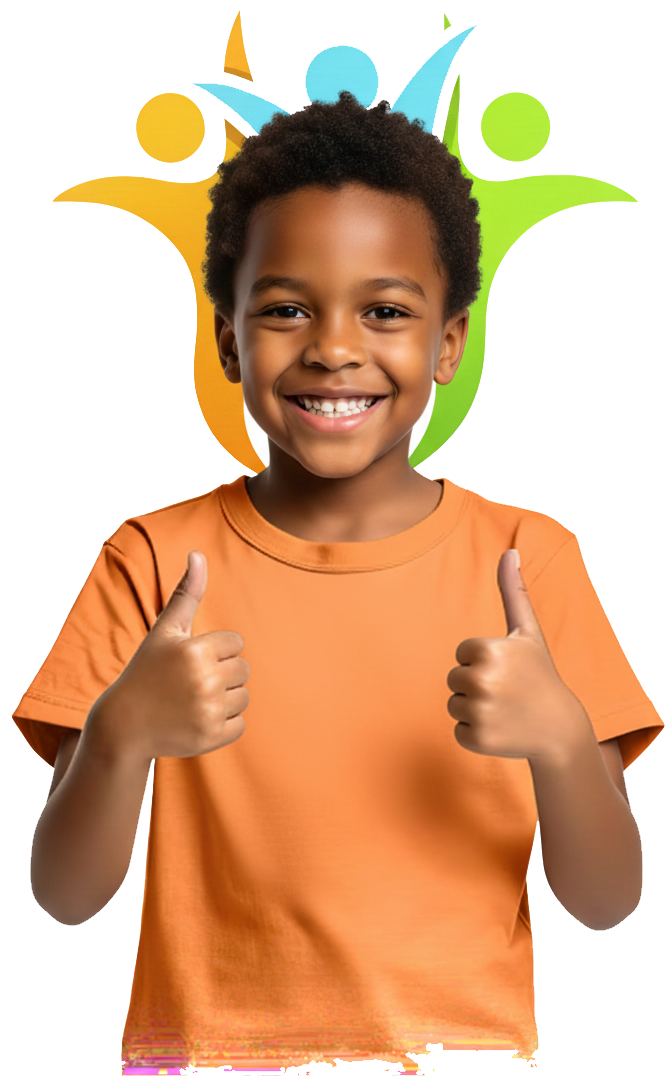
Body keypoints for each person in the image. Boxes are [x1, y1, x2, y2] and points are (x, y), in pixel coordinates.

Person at [16, 91, 662, 1073]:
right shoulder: (148, 557)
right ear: (227, 338)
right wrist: (118, 735)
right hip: (201, 1063)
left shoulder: (529, 558)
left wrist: (566, 742)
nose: (332, 345)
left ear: (449, 341)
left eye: (385, 309)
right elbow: (63, 896)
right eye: (285, 307)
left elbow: (608, 899)